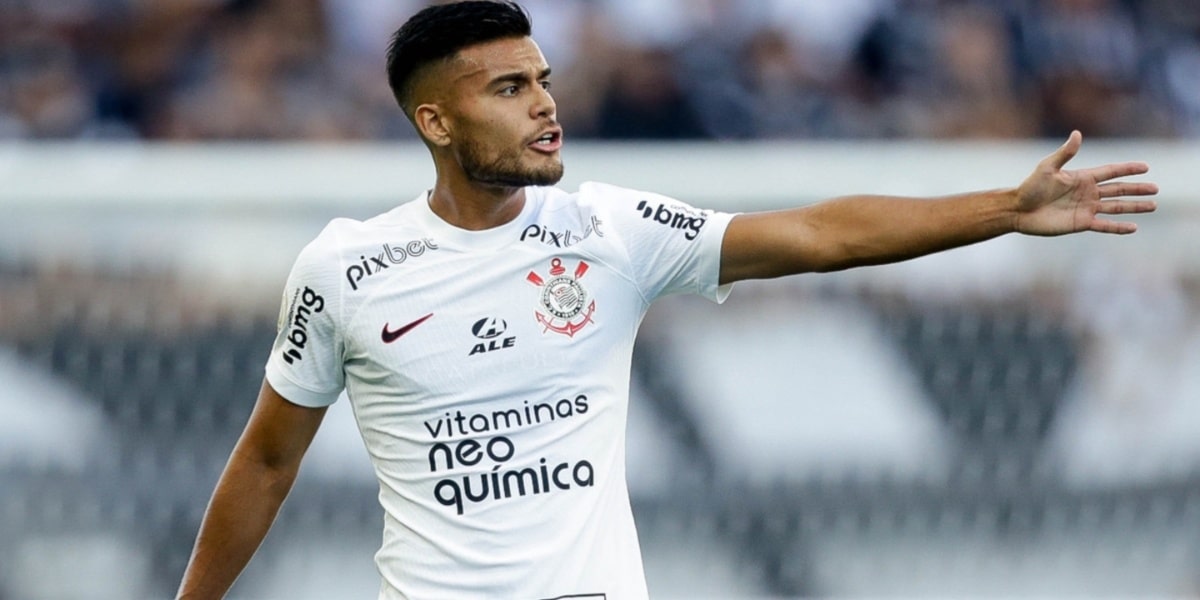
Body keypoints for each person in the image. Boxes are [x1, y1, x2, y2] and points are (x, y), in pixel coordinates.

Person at [174, 2, 1158, 598]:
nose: (546, 104)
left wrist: (1004, 207)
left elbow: (819, 234)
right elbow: (266, 458)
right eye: (509, 88)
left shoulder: (611, 232)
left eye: (544, 80)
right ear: (435, 119)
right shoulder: (346, 269)